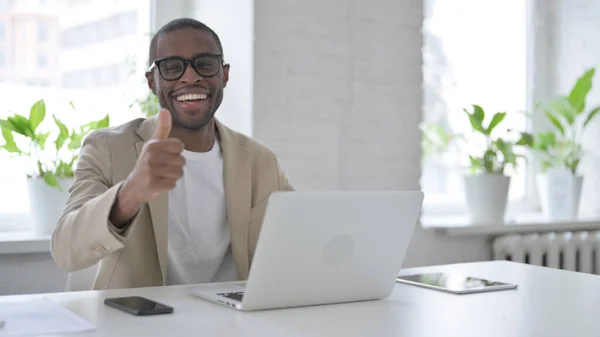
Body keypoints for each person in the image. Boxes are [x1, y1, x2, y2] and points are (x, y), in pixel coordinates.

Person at [50, 18, 293, 290]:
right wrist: (130, 193)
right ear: (152, 82)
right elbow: (65, 250)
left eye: (205, 63)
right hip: (142, 325)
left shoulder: (260, 161)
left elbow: (301, 239)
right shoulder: (107, 149)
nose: (190, 77)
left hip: (233, 324)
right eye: (172, 67)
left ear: (224, 74)